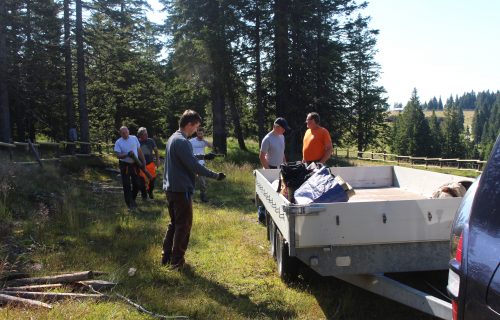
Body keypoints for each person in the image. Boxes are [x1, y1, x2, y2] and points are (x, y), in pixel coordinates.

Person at [162, 110, 226, 270]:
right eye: (196, 127)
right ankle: (176, 262)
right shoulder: (182, 141)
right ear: (189, 124)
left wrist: (204, 157)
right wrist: (215, 175)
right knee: (183, 226)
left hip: (172, 188)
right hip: (180, 189)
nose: (196, 130)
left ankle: (166, 258)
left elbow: (186, 158)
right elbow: (193, 166)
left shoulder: (174, 138)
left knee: (175, 224)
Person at [257, 117, 291, 223]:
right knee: (267, 192)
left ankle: (275, 214)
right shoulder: (267, 139)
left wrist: (285, 164)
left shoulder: (282, 137)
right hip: (270, 168)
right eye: (283, 128)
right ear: (276, 127)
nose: (284, 130)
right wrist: (268, 171)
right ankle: (261, 214)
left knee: (280, 191)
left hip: (280, 168)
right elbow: (261, 156)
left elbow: (282, 152)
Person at [114, 126, 147, 210]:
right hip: (124, 165)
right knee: (126, 185)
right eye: (123, 133)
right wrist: (126, 154)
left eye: (126, 132)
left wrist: (143, 161)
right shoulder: (118, 142)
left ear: (128, 131)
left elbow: (139, 151)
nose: (125, 134)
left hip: (135, 164)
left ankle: (132, 199)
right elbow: (118, 155)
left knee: (137, 184)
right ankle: (130, 204)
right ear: (120, 134)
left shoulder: (134, 138)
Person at [189, 127, 213, 202]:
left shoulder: (204, 142)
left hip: (201, 164)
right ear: (197, 133)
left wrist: (203, 140)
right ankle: (190, 198)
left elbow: (211, 146)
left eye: (201, 133)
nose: (200, 135)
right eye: (199, 133)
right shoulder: (191, 141)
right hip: (193, 163)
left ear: (203, 134)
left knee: (202, 182)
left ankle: (203, 197)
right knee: (192, 181)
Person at [138, 127, 160, 199]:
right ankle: (144, 196)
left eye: (147, 134)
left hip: (150, 164)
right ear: (140, 135)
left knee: (152, 181)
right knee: (142, 182)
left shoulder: (151, 141)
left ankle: (150, 191)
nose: (146, 135)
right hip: (141, 165)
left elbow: (156, 151)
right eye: (144, 134)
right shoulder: (137, 142)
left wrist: (157, 160)